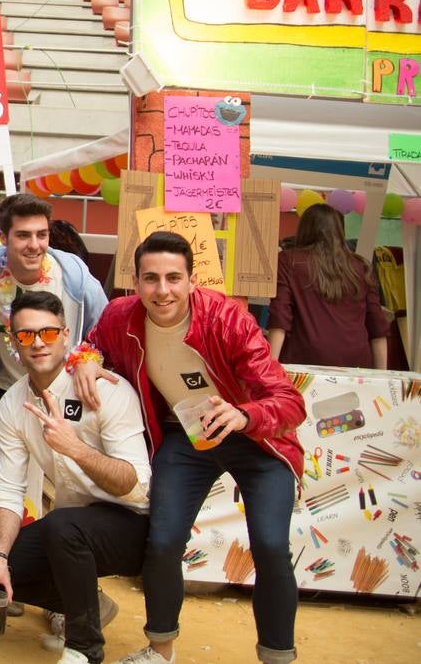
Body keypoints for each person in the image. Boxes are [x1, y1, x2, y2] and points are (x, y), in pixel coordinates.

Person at [78, 232, 306, 664]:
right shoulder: (119, 315)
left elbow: (290, 401)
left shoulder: (228, 319)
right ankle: (160, 650)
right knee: (162, 541)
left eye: (172, 278)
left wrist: (244, 415)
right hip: (185, 438)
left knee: (271, 545)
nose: (161, 291)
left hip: (255, 439)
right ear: (135, 282)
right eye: (150, 279)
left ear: (192, 280)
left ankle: (277, 656)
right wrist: (87, 360)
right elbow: (93, 344)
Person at [0, 292, 149, 664]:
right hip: (71, 528)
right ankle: (89, 604)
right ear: (12, 341)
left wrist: (76, 448)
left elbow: (135, 485)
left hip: (134, 526)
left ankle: (84, 649)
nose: (37, 344)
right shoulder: (13, 404)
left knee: (62, 526)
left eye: (48, 333)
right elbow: (7, 490)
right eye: (26, 335)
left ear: (66, 335)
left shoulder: (104, 389)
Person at [0, 193, 110, 433]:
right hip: (10, 393)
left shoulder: (73, 275)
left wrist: (88, 360)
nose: (35, 245)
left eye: (42, 234)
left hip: (66, 392)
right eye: (23, 235)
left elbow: (105, 328)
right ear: (3, 238)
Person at [268, 203, 390, 370]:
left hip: (304, 359)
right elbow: (377, 325)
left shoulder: (288, 260)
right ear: (339, 231)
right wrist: (381, 377)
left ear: (304, 228)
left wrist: (270, 368)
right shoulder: (361, 266)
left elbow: (280, 316)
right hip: (356, 361)